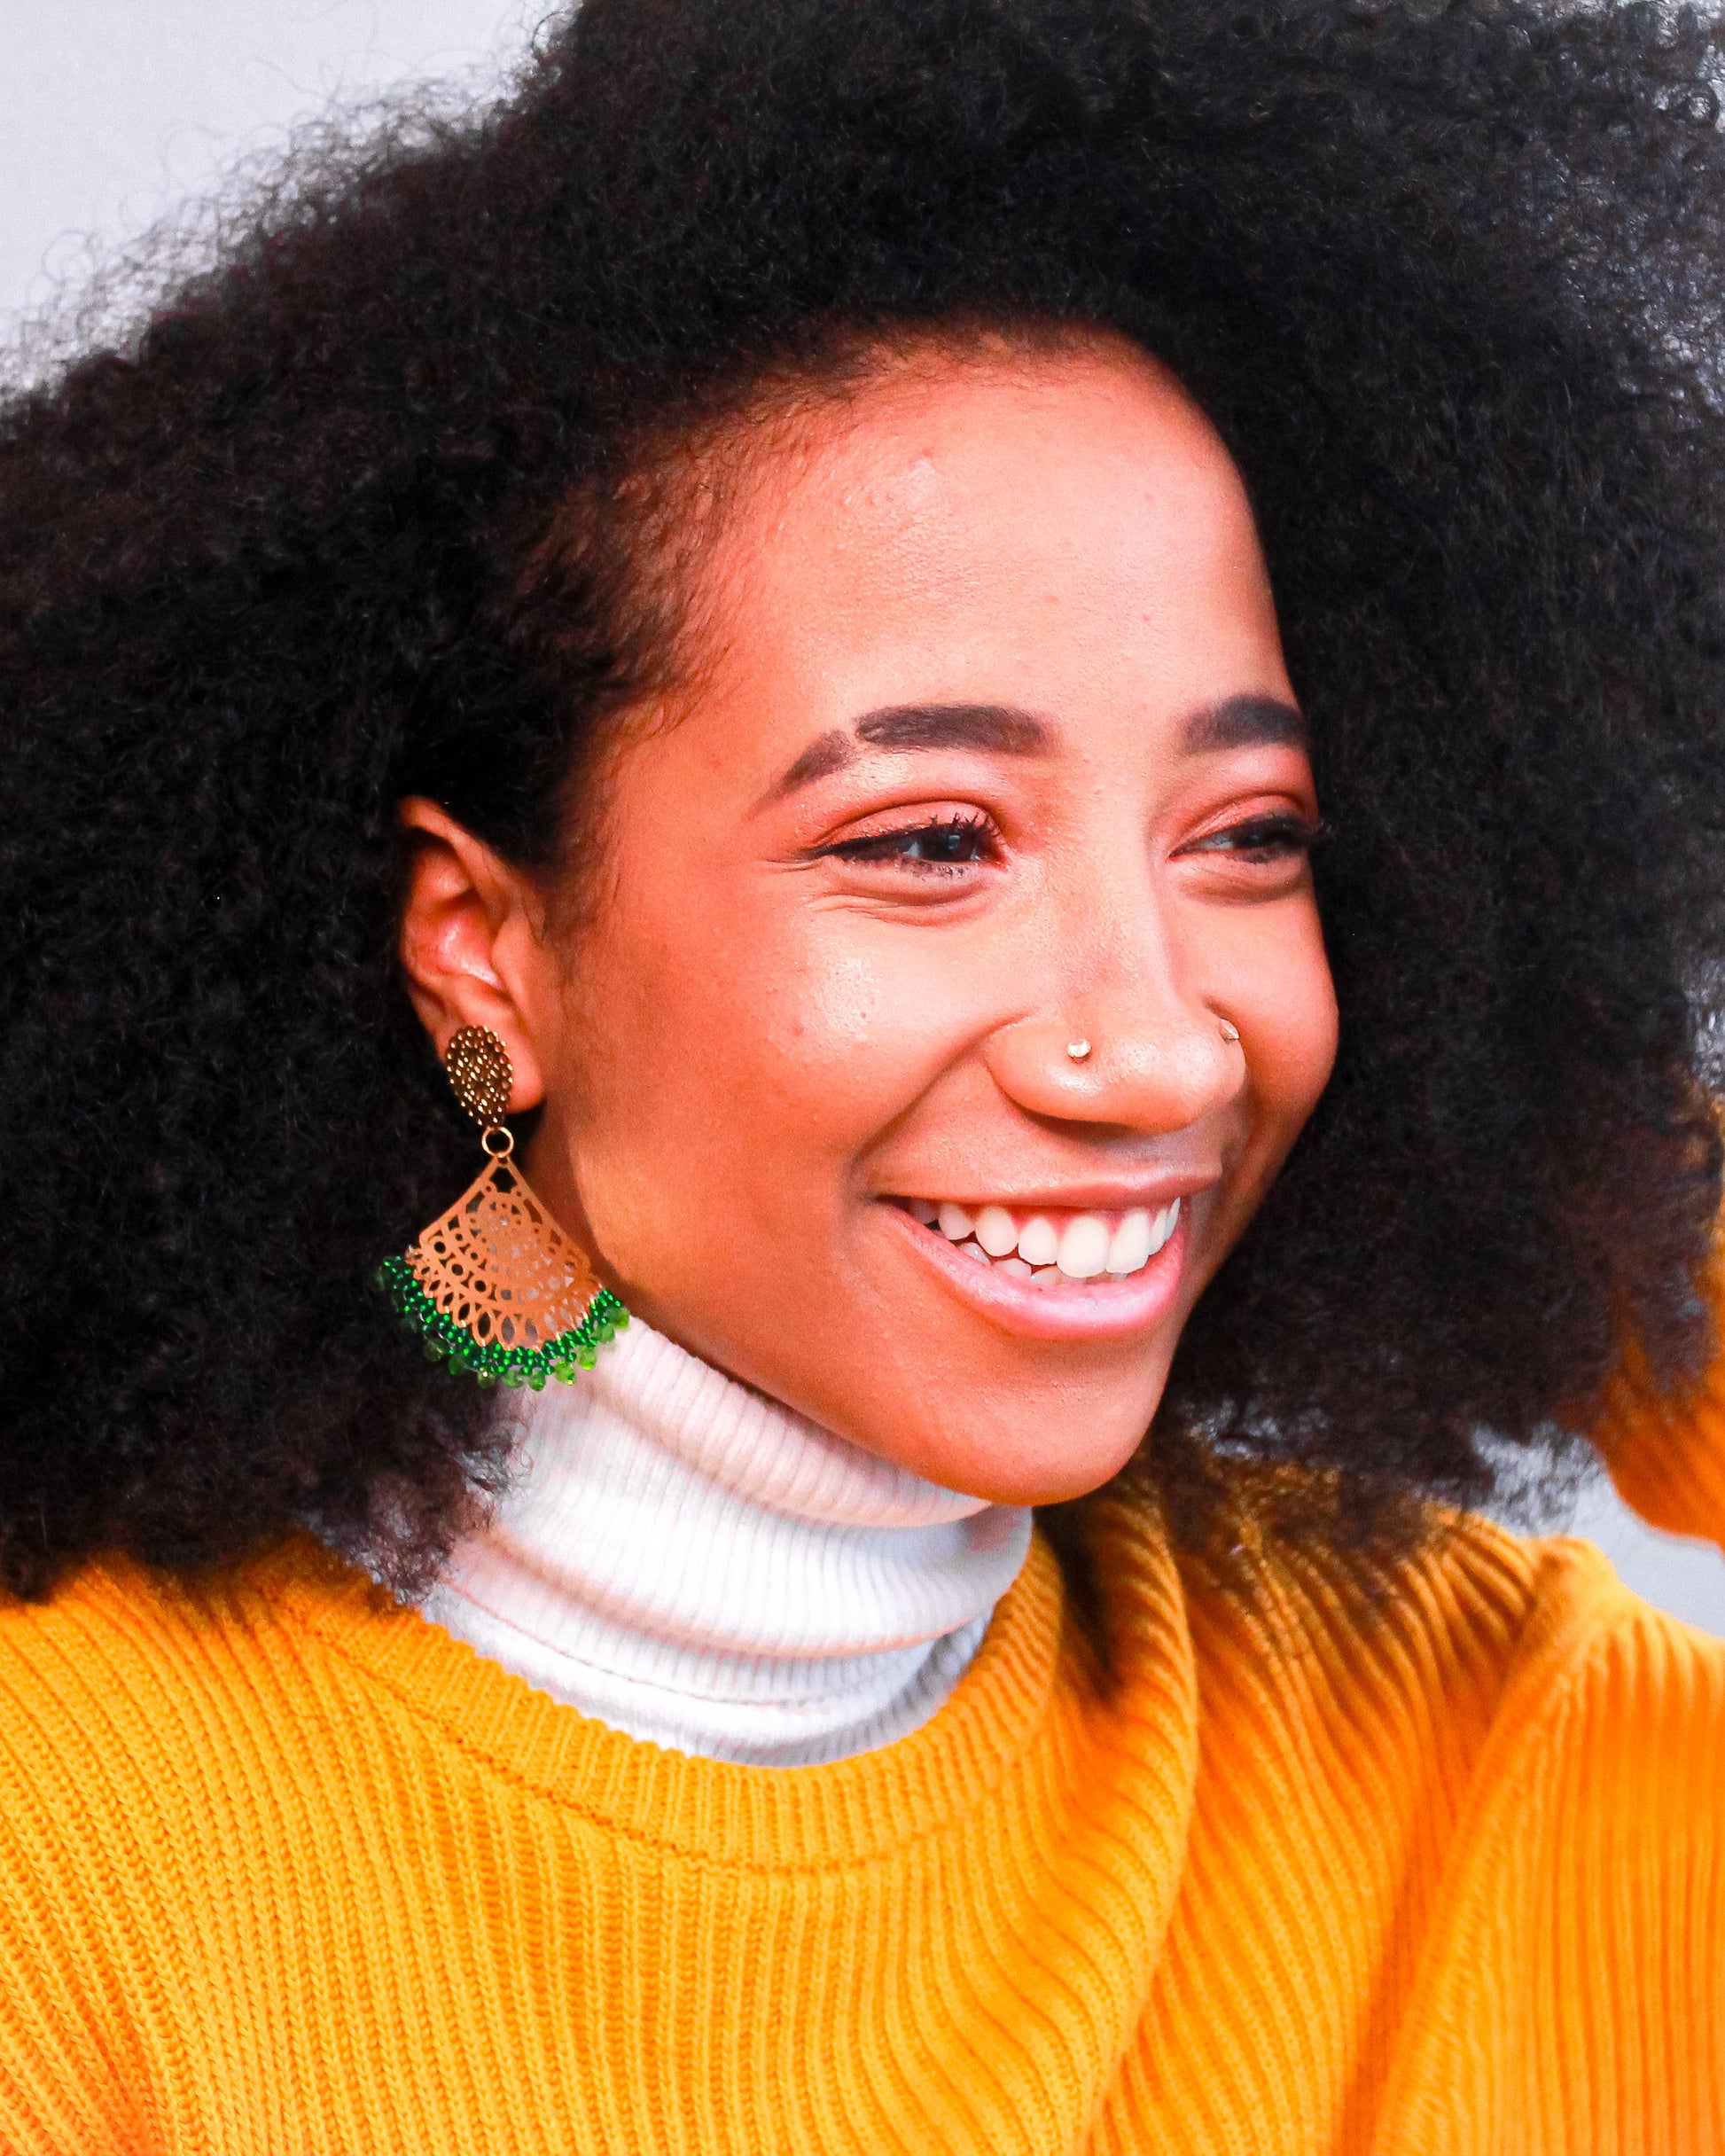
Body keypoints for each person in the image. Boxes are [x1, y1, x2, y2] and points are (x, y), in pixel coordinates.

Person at [0, 0, 1721, 2145]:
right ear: (489, 952)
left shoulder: (1477, 1739)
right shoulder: (57, 1861)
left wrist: (1641, 1241)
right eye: (926, 844)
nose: (1162, 1035)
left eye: (1250, 839)